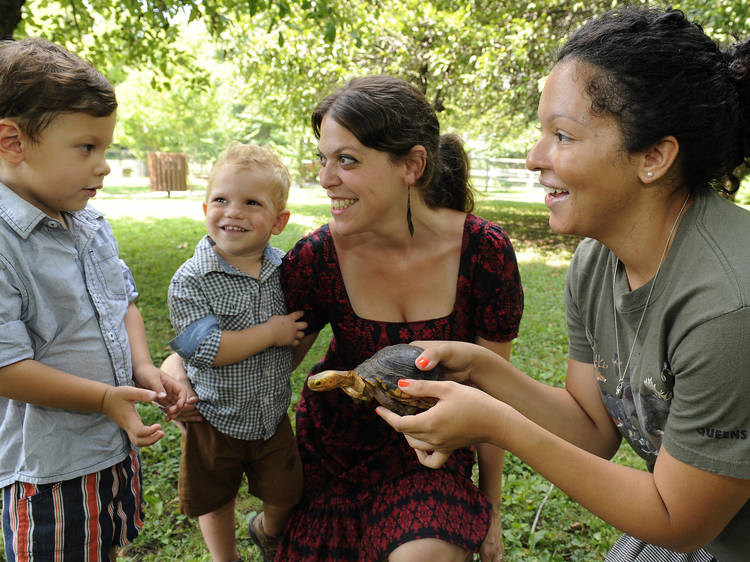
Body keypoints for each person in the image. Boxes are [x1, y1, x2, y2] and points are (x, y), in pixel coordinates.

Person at [378, 6, 750, 562]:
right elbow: (594, 427)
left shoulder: (729, 305)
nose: (534, 158)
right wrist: (483, 369)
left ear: (654, 157)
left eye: (562, 135)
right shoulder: (596, 263)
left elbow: (679, 520)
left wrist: (496, 424)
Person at [164, 75, 524, 561]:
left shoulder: (485, 253)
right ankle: (274, 532)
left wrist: (491, 508)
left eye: (347, 160)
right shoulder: (317, 257)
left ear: (412, 166)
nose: (325, 177)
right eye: (323, 159)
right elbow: (258, 342)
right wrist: (176, 369)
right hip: (331, 455)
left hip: (428, 455)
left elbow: (492, 389)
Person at [0, 37, 185, 561]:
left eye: (105, 148)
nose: (103, 165)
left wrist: (144, 367)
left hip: (112, 444)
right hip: (51, 467)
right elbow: (5, 367)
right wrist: (105, 398)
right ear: (12, 141)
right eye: (86, 148)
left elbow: (122, 300)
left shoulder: (89, 224)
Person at [167, 142, 307, 562]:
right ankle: (223, 556)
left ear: (279, 221)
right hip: (214, 417)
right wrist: (271, 333)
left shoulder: (286, 270)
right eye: (222, 200)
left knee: (287, 492)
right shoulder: (191, 279)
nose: (234, 212)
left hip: (270, 414)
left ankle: (267, 530)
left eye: (251, 202)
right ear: (205, 206)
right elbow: (205, 348)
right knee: (214, 496)